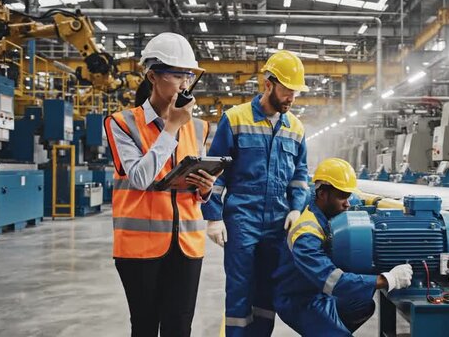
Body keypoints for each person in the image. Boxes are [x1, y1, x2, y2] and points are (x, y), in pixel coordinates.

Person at [104, 32, 221, 337]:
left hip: (186, 244)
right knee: (144, 327)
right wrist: (171, 127)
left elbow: (197, 189)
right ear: (153, 76)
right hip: (139, 248)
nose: (184, 84)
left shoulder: (199, 126)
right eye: (176, 74)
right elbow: (141, 178)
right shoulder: (122, 123)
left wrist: (206, 188)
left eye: (188, 75)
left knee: (179, 327)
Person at [201, 50, 310, 336]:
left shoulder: (295, 128)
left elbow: (299, 176)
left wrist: (297, 207)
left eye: (296, 93)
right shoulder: (235, 119)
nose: (291, 98)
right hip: (242, 221)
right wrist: (214, 216)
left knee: (267, 292)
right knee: (240, 291)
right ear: (268, 84)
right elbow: (215, 172)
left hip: (277, 224)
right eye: (287, 90)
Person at [273, 158, 413, 336]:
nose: (348, 203)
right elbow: (332, 281)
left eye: (348, 196)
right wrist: (388, 280)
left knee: (363, 303)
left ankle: (328, 330)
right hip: (299, 300)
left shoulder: (323, 204)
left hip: (318, 293)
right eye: (342, 196)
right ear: (323, 193)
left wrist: (382, 203)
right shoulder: (306, 235)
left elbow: (358, 198)